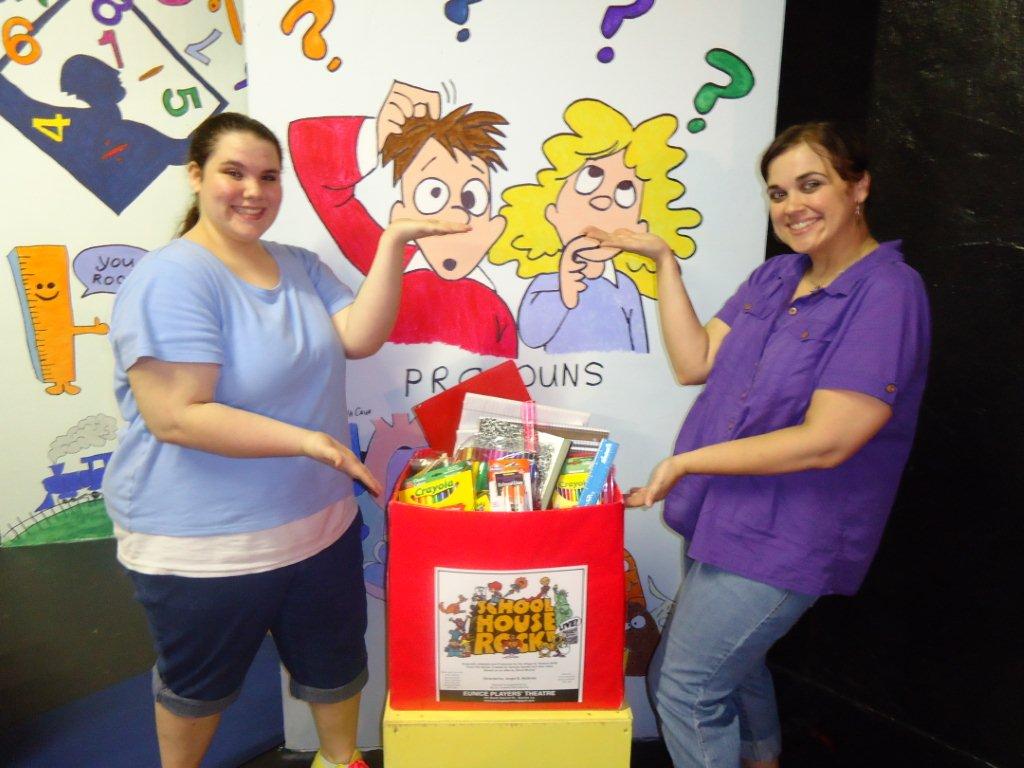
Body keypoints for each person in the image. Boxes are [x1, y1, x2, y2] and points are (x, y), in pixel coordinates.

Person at [101, 112, 467, 768]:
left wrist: (393, 243)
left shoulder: (297, 264)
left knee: (334, 662)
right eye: (233, 173)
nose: (254, 190)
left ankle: (338, 758)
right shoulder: (172, 278)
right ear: (196, 176)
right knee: (200, 688)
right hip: (205, 545)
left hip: (317, 524)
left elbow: (358, 335)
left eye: (268, 177)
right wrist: (308, 442)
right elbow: (177, 416)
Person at [587, 122, 930, 767]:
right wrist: (665, 262)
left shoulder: (888, 293)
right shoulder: (776, 278)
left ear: (859, 186)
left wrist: (686, 461)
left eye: (811, 184)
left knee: (684, 686)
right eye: (777, 193)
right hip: (721, 515)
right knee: (735, 670)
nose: (791, 206)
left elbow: (828, 441)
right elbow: (695, 362)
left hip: (786, 533)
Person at [289, 80, 517, 357]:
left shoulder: (497, 310)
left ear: (494, 228)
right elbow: (312, 157)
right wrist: (378, 135)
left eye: (472, 199)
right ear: (400, 215)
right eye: (433, 194)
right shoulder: (389, 259)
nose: (457, 213)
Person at [489, 98, 701, 354]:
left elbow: (640, 350)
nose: (603, 201)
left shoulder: (625, 288)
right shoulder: (546, 284)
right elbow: (532, 336)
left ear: (640, 228)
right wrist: (565, 289)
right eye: (590, 179)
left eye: (625, 191)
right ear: (552, 213)